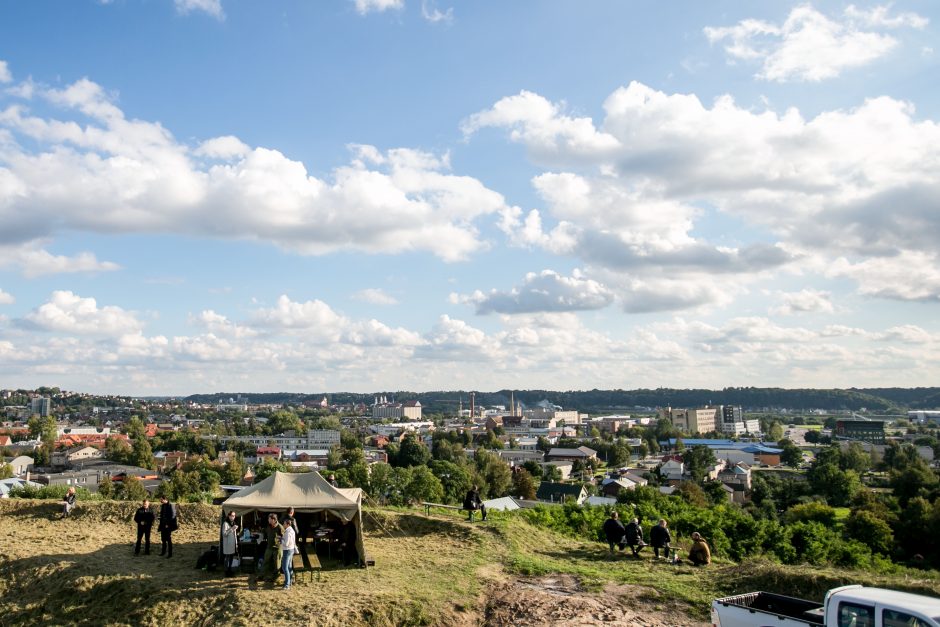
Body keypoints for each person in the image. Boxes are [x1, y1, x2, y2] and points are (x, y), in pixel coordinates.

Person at [259, 513, 283, 583]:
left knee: (277, 564)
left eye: (269, 519)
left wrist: (280, 540)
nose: (268, 520)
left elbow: (284, 538)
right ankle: (262, 576)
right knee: (265, 562)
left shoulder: (280, 527)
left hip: (277, 548)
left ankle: (275, 578)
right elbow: (265, 532)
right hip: (269, 547)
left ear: (274, 520)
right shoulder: (268, 526)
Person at [221, 510, 240, 576]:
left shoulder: (233, 523)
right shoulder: (225, 523)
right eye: (232, 516)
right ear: (229, 516)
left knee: (231, 556)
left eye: (234, 516)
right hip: (227, 544)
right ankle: (226, 571)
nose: (233, 517)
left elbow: (233, 534)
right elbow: (224, 534)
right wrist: (232, 529)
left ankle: (230, 570)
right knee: (227, 557)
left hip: (232, 543)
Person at [280, 515, 296, 590]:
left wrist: (280, 540)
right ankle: (291, 580)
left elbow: (286, 543)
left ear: (288, 524)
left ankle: (287, 584)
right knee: (289, 567)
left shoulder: (287, 532)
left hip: (287, 550)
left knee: (284, 567)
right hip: (291, 549)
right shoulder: (292, 530)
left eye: (284, 524)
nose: (283, 525)